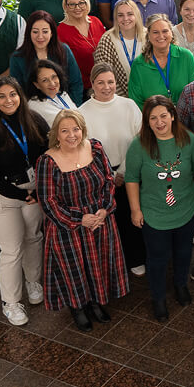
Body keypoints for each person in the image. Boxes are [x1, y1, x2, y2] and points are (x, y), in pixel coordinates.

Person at [37, 108, 129, 330]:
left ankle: (96, 302)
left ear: (83, 130)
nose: (72, 135)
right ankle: (78, 307)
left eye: (76, 129)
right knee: (74, 270)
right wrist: (79, 219)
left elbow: (108, 180)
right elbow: (48, 202)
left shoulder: (95, 148)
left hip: (99, 220)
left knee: (98, 264)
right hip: (68, 228)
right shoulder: (47, 161)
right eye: (65, 130)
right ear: (56, 135)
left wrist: (105, 210)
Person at [0, 77, 47, 325]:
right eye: (1, 96)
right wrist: (20, 195)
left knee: (34, 238)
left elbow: (49, 153)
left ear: (20, 96)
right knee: (12, 250)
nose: (8, 100)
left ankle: (33, 281)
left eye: (12, 94)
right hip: (3, 196)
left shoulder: (34, 120)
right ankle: (11, 303)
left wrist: (39, 191)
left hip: (33, 191)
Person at [124, 96, 194, 322]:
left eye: (163, 116)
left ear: (172, 115)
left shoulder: (189, 141)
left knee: (183, 252)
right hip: (153, 213)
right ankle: (158, 296)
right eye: (153, 118)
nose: (159, 122)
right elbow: (131, 179)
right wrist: (135, 210)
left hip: (186, 209)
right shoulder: (138, 145)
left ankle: (181, 285)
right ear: (147, 121)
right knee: (158, 258)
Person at [78, 64, 145, 277]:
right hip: (100, 177)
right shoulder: (82, 112)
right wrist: (112, 175)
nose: (106, 87)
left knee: (131, 218)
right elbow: (84, 149)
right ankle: (113, 264)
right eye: (100, 83)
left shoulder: (129, 105)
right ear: (92, 84)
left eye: (110, 82)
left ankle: (136, 257)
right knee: (109, 223)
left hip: (131, 172)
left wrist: (124, 171)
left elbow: (140, 139)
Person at [10, 11, 85, 105]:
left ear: (52, 33)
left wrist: (73, 109)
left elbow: (76, 83)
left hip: (65, 105)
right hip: (33, 109)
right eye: (35, 32)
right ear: (28, 33)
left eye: (45, 31)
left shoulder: (64, 50)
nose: (40, 36)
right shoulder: (17, 58)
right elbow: (18, 91)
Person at [127, 14, 194, 106]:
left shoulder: (186, 57)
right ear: (148, 35)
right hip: (152, 119)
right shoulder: (138, 64)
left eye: (165, 31)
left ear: (171, 33)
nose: (161, 36)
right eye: (155, 32)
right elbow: (135, 102)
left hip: (184, 117)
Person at [92, 0, 145, 97]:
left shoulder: (148, 36)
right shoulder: (106, 40)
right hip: (119, 97)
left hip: (148, 94)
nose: (125, 18)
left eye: (130, 14)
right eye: (120, 15)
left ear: (137, 15)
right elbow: (104, 76)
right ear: (115, 18)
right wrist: (126, 101)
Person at [57, 0, 105, 82]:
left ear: (87, 4)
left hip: (104, 78)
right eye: (72, 4)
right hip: (82, 83)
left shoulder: (96, 21)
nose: (77, 8)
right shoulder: (61, 30)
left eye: (81, 3)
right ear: (66, 6)